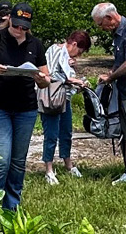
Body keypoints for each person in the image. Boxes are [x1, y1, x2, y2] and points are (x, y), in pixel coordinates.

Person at [0, 2, 50, 212]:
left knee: (17, 163)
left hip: (26, 109)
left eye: (24, 27)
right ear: (9, 20)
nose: (20, 30)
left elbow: (46, 79)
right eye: (16, 26)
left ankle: (11, 209)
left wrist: (40, 78)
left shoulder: (36, 44)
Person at [90, 2, 126, 194]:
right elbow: (120, 62)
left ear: (110, 18)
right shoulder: (117, 34)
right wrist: (113, 72)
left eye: (100, 24)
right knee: (125, 131)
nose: (101, 28)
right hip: (123, 90)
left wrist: (111, 76)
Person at [40, 30, 91, 185]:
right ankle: (49, 169)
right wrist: (72, 80)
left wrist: (79, 83)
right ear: (74, 44)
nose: (78, 56)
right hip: (52, 99)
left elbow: (67, 76)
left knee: (66, 132)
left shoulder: (67, 57)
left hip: (65, 99)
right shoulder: (54, 50)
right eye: (79, 51)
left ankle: (68, 163)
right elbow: (50, 74)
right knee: (51, 133)